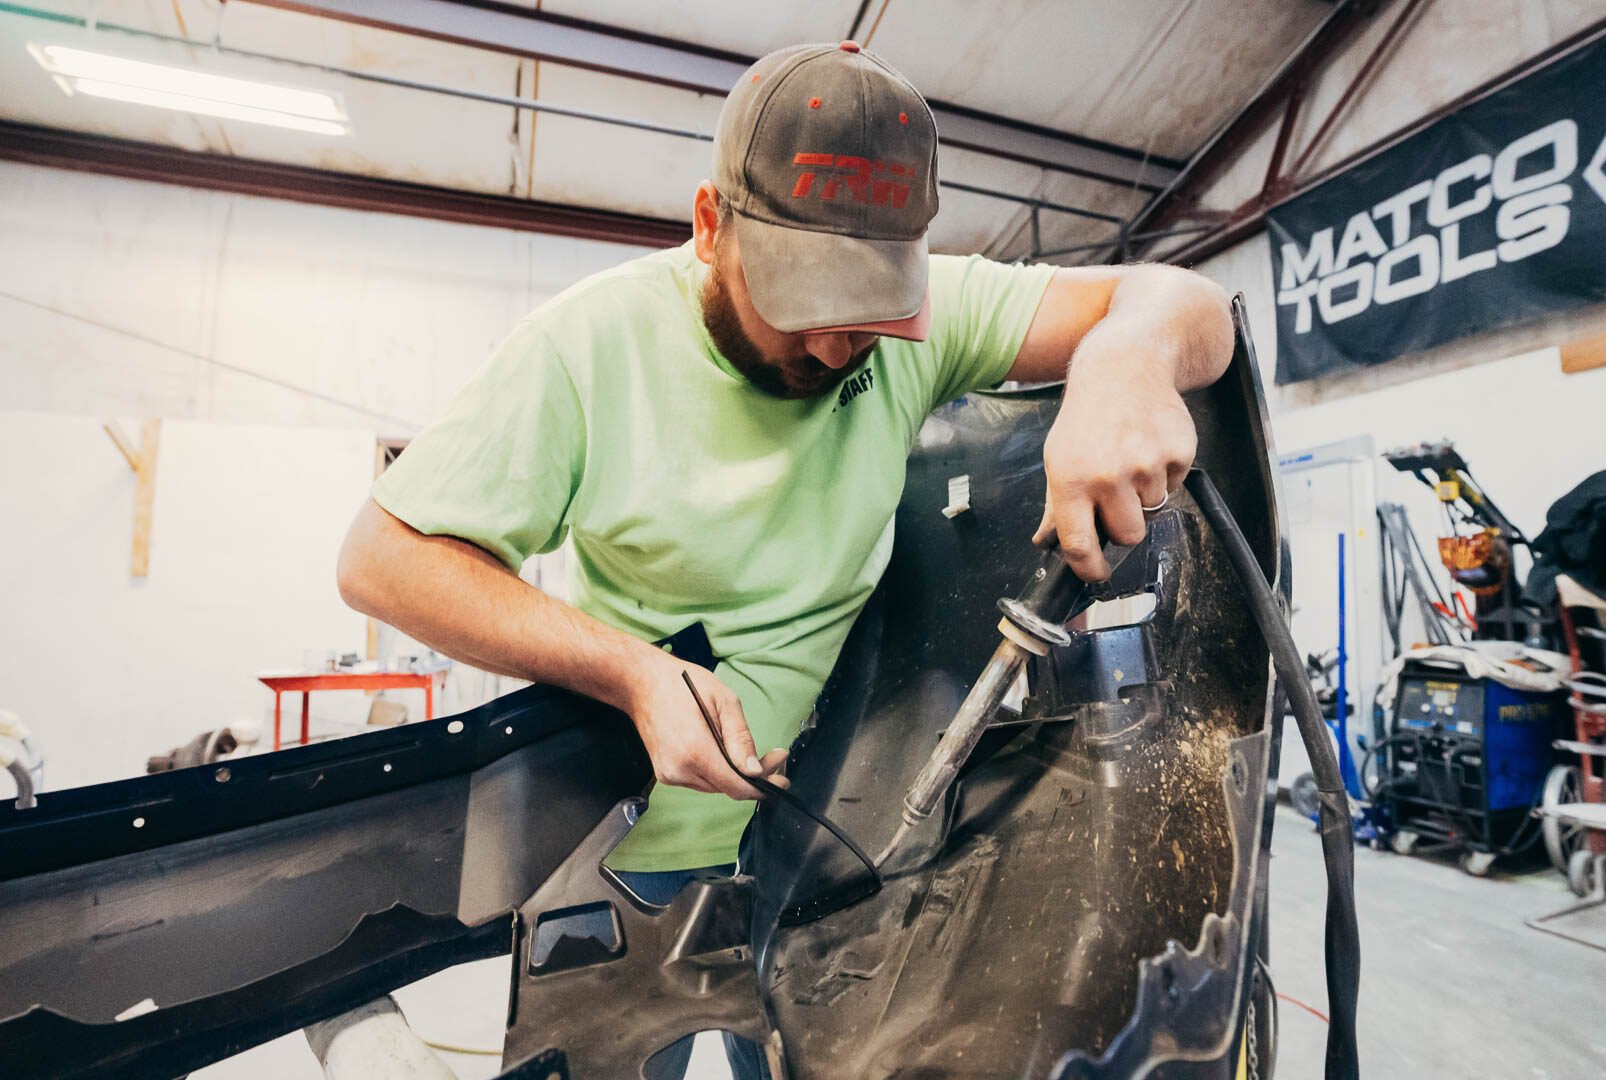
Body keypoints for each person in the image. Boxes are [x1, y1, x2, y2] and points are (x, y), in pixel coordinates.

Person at [335, 41, 1231, 1080]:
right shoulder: (591, 347)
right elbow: (380, 558)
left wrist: (1126, 362)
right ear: (712, 226)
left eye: (872, 309)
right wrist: (631, 673)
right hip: (621, 864)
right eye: (809, 302)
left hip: (821, 850)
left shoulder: (922, 327)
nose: (841, 345)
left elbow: (1186, 303)